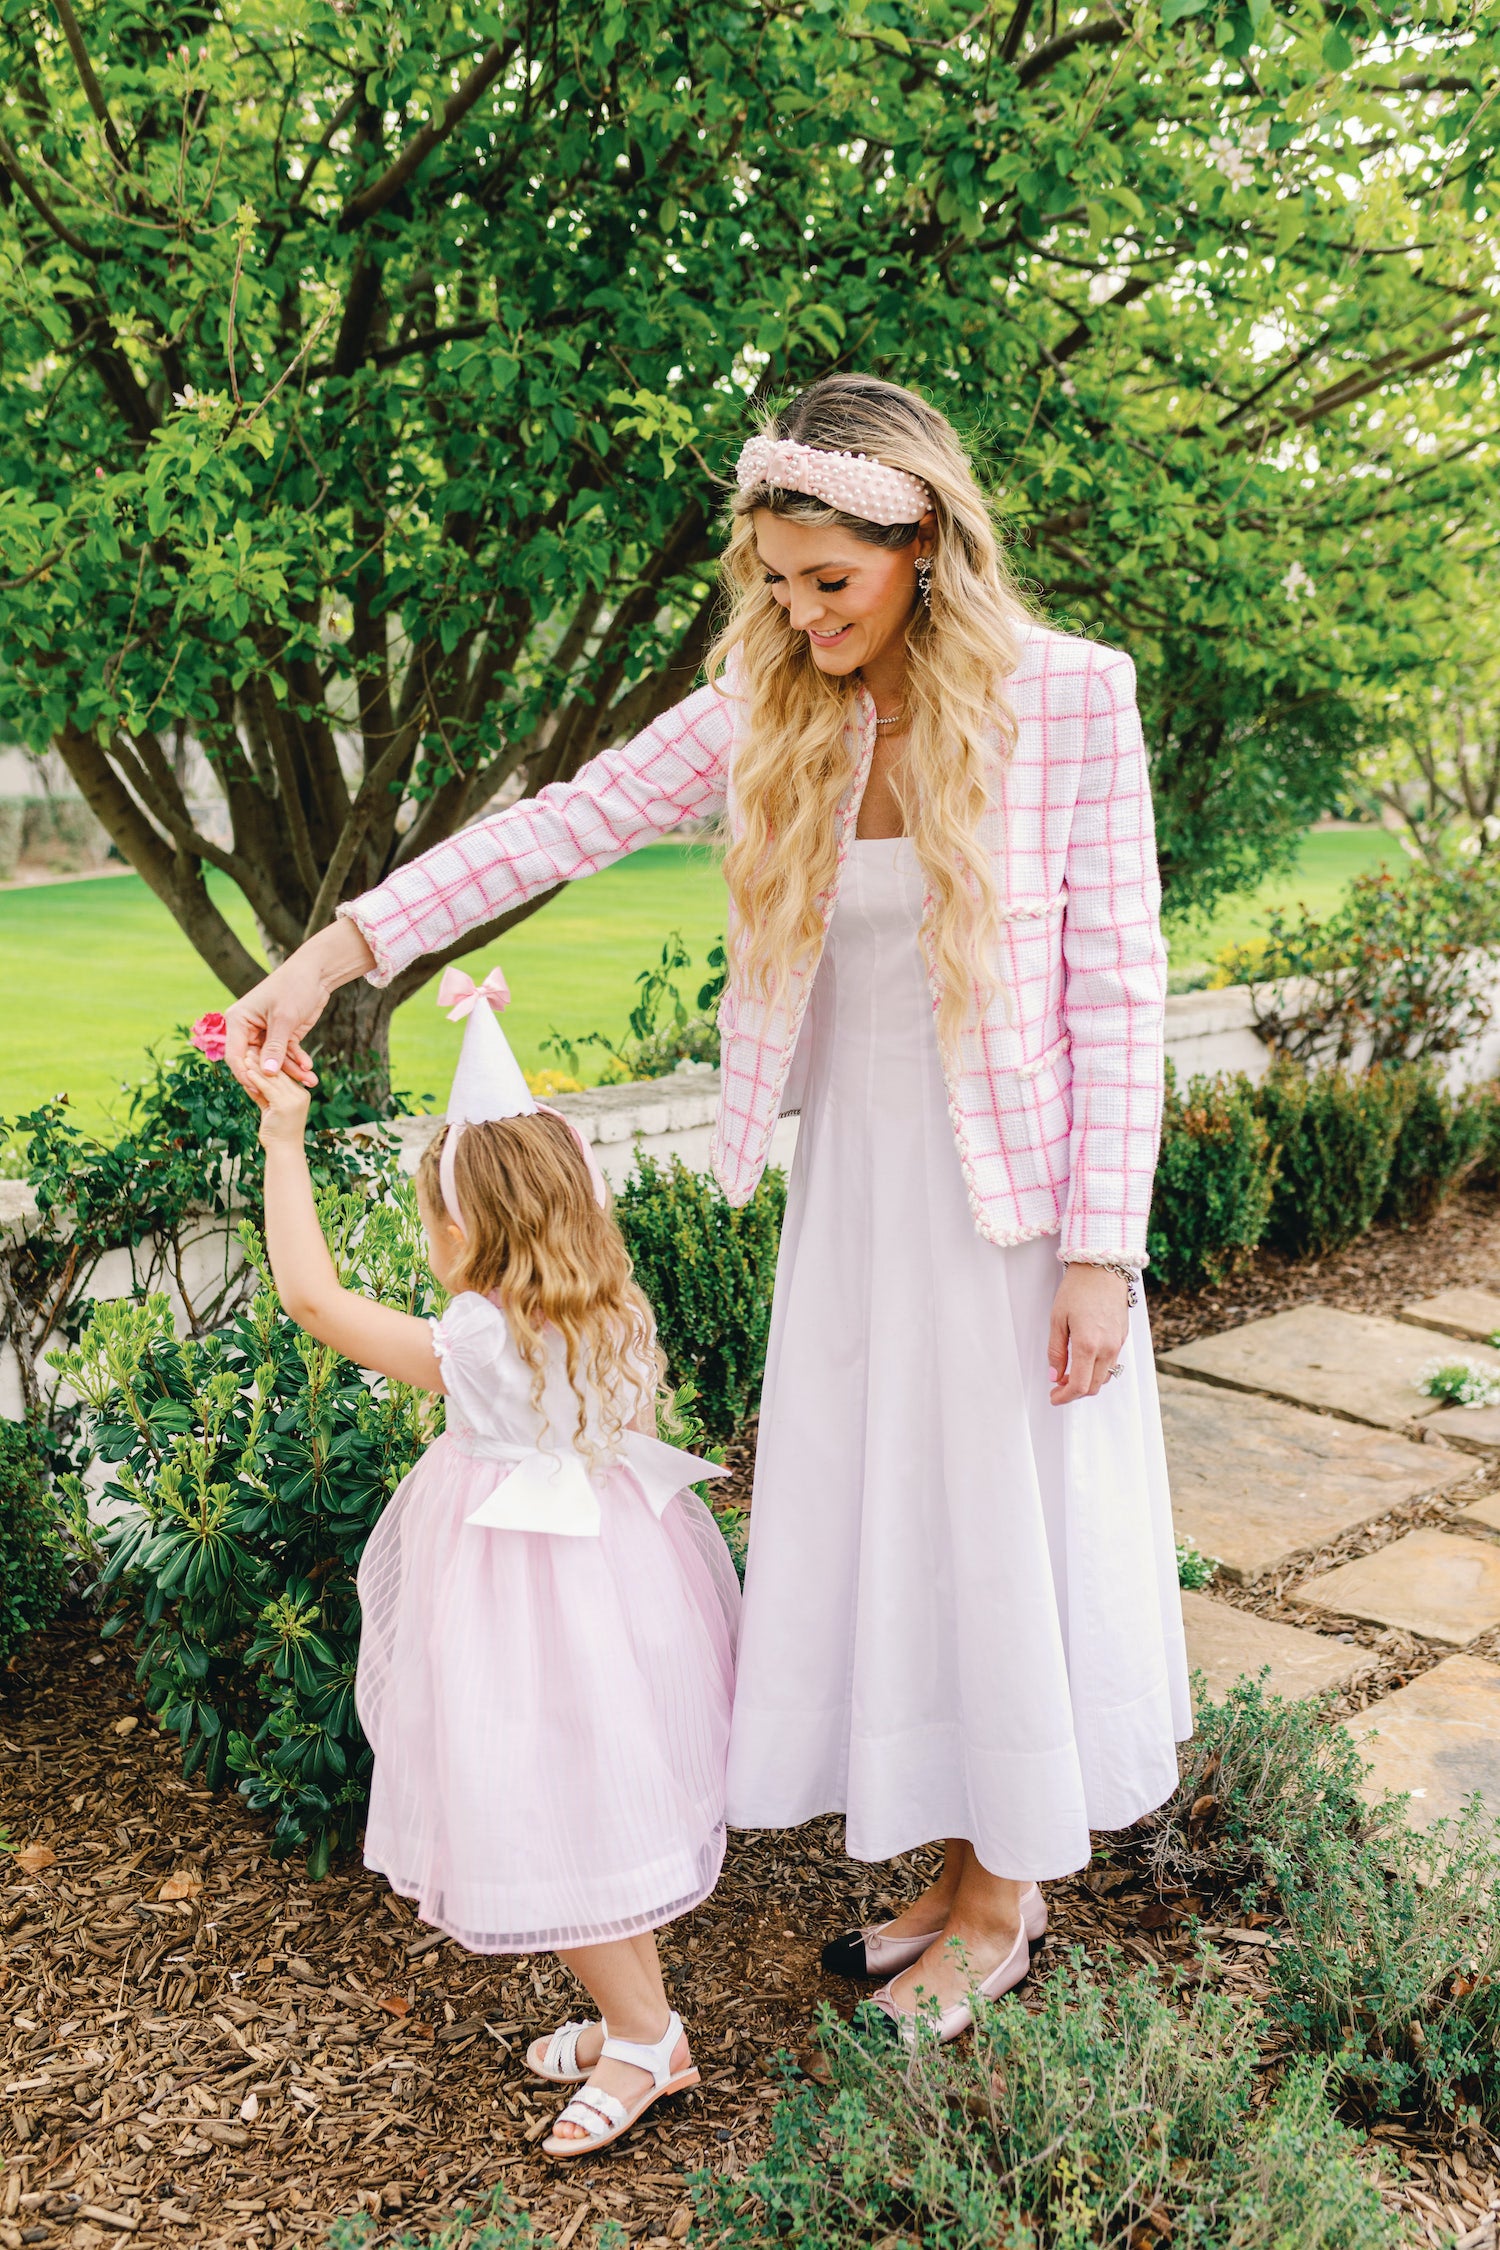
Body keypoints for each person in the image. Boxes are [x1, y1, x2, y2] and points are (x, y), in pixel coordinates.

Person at [228, 372, 1189, 2047]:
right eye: (774, 582)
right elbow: (560, 823)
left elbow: (1122, 992)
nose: (800, 615)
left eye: (832, 583)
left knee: (1000, 1535)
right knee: (908, 1527)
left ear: (927, 548)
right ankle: (963, 1869)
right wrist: (331, 954)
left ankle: (1002, 1897)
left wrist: (1102, 1257)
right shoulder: (768, 706)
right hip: (860, 1202)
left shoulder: (1072, 701)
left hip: (1021, 1217)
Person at [240, 965, 739, 2150]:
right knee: (597, 1799)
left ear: (467, 1230)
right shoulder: (612, 1306)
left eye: (432, 1219)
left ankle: (645, 2040)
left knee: (538, 1814)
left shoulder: (476, 1338)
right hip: (619, 1583)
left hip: (525, 1601)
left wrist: (283, 1137)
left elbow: (312, 1301)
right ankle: (634, 2009)